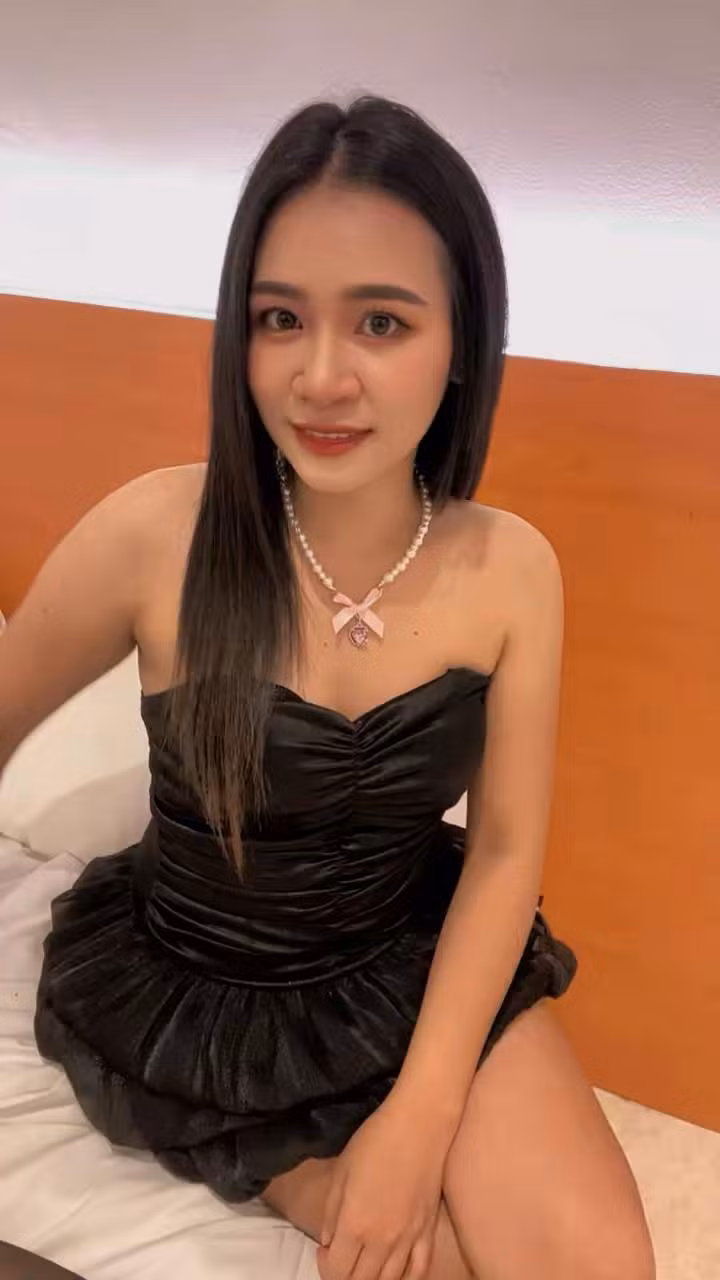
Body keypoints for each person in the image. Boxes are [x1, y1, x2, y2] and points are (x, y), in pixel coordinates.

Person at [0, 95, 654, 1280]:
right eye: (280, 318)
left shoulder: (513, 567)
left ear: (463, 344)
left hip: (411, 953)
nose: (320, 375)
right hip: (207, 997)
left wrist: (423, 1113)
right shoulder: (154, 532)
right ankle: (299, 1164)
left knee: (600, 1265)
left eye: (382, 322)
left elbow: (506, 849)